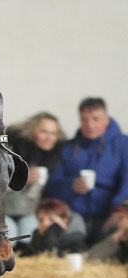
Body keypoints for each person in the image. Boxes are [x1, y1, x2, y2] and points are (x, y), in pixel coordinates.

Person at [44, 97, 128, 244]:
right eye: (84, 119)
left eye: (96, 119)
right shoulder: (68, 148)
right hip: (75, 214)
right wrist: (70, 185)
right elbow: (52, 185)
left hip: (110, 212)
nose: (90, 125)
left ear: (107, 119)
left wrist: (118, 209)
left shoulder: (123, 144)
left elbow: (126, 181)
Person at [5, 112, 66, 242]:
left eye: (53, 133)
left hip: (31, 211)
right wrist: (20, 179)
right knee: (10, 238)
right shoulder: (10, 152)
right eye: (44, 132)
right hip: (3, 210)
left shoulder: (55, 157)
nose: (49, 137)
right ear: (31, 131)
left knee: (29, 237)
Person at [15, 197, 87, 257]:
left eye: (51, 220)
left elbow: (53, 256)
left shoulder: (76, 243)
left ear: (65, 220)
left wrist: (53, 232)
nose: (45, 223)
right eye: (41, 220)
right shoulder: (37, 237)